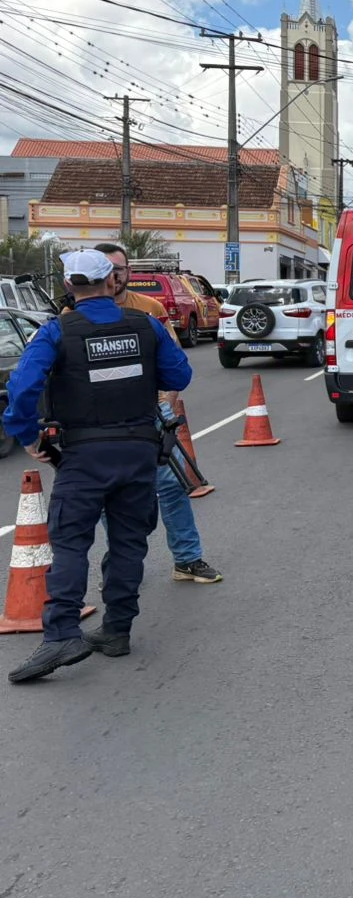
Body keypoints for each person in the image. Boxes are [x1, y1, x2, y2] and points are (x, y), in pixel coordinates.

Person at [4, 250, 192, 683]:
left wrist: (29, 436)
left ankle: (61, 636)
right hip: (139, 453)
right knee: (129, 542)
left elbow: (22, 388)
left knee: (70, 543)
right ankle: (116, 630)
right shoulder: (146, 326)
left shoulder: (56, 332)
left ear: (70, 286)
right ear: (112, 281)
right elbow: (178, 377)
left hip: (84, 456)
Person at [95, 243, 222, 584]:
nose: (112, 276)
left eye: (118, 269)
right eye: (105, 269)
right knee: (111, 494)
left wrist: (166, 402)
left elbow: (173, 360)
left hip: (148, 414)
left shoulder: (149, 310)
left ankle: (187, 559)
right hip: (99, 422)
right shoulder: (74, 315)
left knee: (171, 486)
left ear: (128, 273)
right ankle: (121, 562)